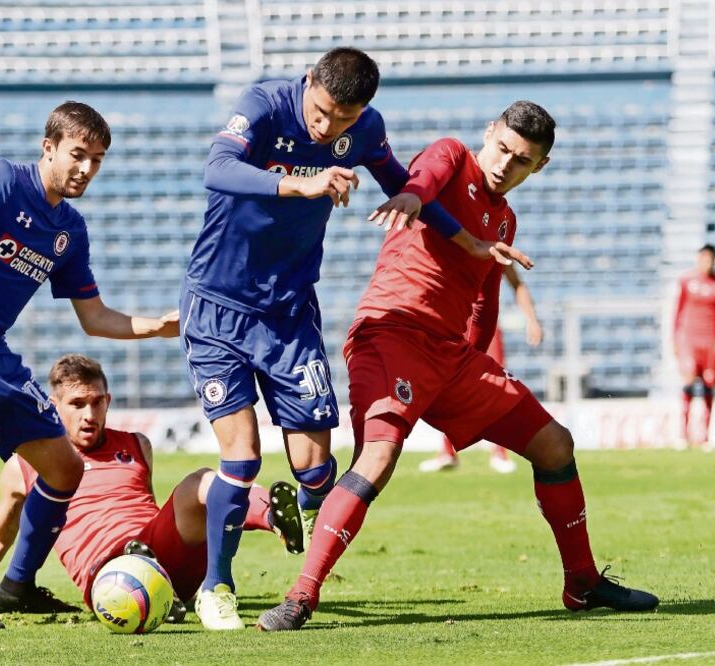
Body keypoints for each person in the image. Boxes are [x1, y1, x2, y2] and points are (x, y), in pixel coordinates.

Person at [258, 101, 659, 631]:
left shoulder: (505, 220)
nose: (504, 164)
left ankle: (582, 583)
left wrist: (476, 356)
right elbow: (424, 179)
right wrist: (410, 194)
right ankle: (300, 597)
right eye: (502, 149)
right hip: (391, 335)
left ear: (539, 168)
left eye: (521, 161)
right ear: (488, 133)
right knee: (377, 459)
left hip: (451, 357)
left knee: (555, 444)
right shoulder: (449, 156)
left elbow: (483, 302)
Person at [181, 47, 514, 629]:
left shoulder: (364, 129)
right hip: (218, 305)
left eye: (344, 120)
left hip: (288, 313)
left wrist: (469, 243)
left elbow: (406, 189)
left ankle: (289, 515)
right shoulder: (263, 105)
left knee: (315, 469)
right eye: (322, 112)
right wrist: (304, 185)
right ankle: (217, 586)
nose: (328, 127)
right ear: (308, 82)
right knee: (241, 457)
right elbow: (217, 169)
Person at [0, 102, 180, 629]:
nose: (86, 169)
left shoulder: (69, 230)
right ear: (47, 147)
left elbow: (94, 318)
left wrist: (155, 326)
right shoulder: (1, 181)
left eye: (97, 160)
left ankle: (17, 587)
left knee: (64, 467)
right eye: (78, 155)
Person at [0, 354, 304, 624]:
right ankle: (157, 591)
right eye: (77, 404)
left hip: (157, 547)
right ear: (54, 406)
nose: (89, 414)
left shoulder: (136, 445)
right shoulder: (26, 462)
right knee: (126, 564)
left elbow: (154, 508)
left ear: (108, 401)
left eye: (96, 402)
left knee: (200, 482)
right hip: (105, 575)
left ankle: (276, 517)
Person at [419, 263, 543, 474]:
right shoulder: (457, 242)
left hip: (487, 327)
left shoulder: (495, 247)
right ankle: (448, 452)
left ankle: (500, 452)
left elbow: (517, 284)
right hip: (455, 326)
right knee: (448, 386)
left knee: (495, 384)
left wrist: (532, 320)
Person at [673, 244, 715, 448]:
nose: (705, 263)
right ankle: (683, 435)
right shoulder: (686, 281)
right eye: (702, 258)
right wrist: (675, 339)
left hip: (711, 343)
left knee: (709, 386)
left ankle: (705, 437)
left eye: (709, 259)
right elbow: (677, 311)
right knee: (689, 383)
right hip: (690, 341)